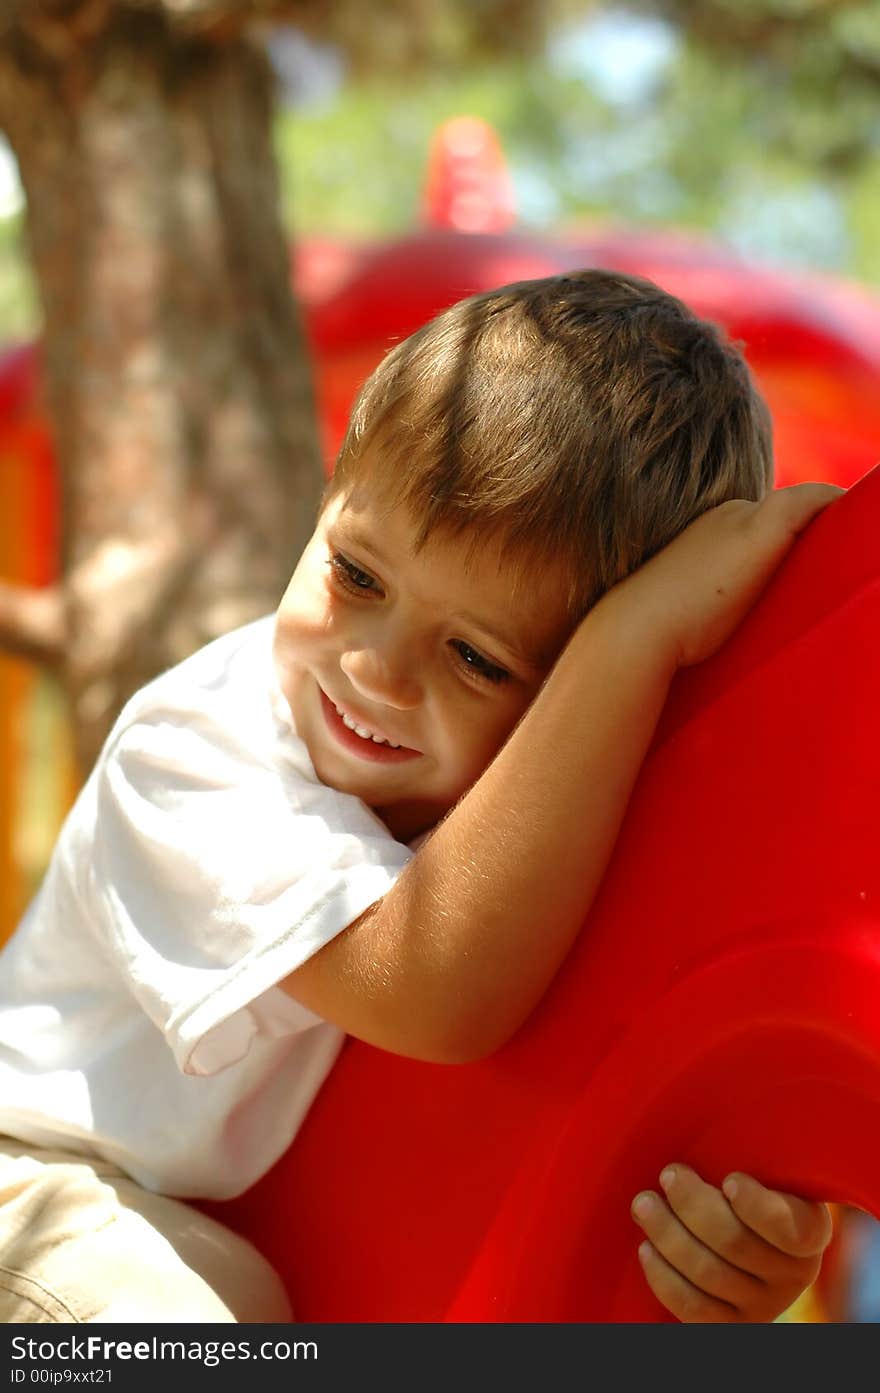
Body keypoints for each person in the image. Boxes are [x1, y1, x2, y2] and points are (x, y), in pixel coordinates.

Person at [0, 270, 837, 1325]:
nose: (378, 672)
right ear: (326, 500)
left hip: (244, 1234)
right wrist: (637, 637)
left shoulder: (562, 834)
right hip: (31, 1185)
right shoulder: (193, 755)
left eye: (477, 658)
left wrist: (733, 1244)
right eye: (356, 576)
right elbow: (433, 985)